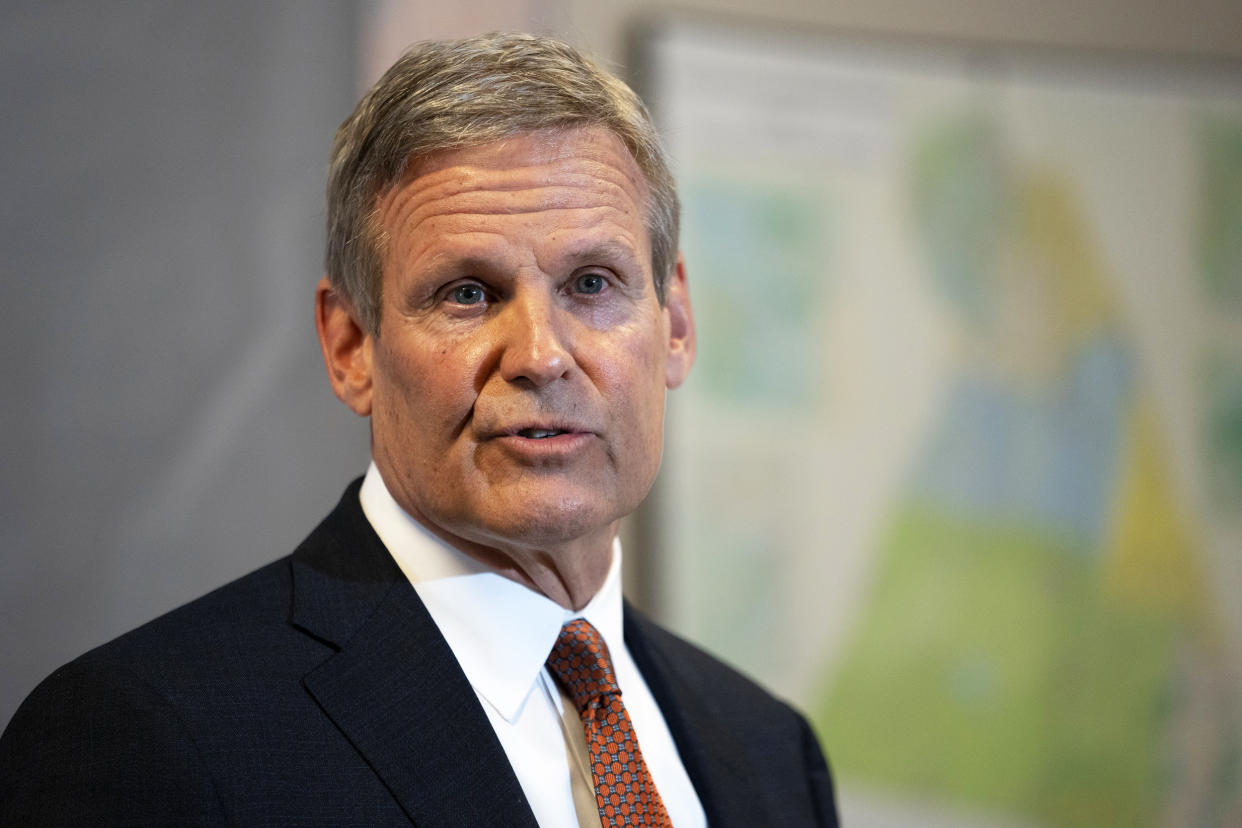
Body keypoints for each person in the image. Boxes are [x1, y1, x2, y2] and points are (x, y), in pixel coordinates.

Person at [0, 33, 838, 826]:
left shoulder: (769, 752)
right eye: (468, 293)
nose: (542, 357)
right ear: (351, 346)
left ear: (677, 324)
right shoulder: (146, 736)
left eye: (592, 282)